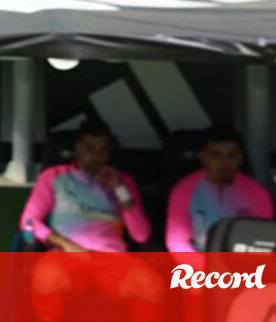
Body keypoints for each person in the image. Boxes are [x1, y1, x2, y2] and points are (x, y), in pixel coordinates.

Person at [20, 120, 162, 322]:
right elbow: (28, 221)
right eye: (90, 149)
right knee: (47, 276)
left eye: (103, 150)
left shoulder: (122, 181)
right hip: (67, 255)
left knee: (150, 284)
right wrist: (64, 244)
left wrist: (120, 190)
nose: (97, 156)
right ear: (77, 148)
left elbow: (141, 235)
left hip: (112, 259)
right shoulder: (54, 176)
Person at [166, 127, 274, 258]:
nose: (225, 162)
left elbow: (263, 242)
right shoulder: (184, 190)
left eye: (232, 155)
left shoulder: (257, 193)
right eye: (216, 155)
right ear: (203, 157)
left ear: (241, 158)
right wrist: (204, 268)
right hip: (196, 263)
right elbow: (176, 242)